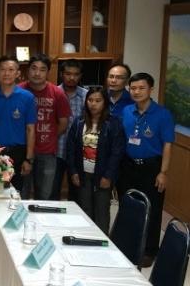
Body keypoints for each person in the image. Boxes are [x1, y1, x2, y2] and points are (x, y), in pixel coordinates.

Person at [119, 73, 175, 267]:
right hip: (128, 165)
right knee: (128, 205)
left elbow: (168, 144)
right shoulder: (126, 111)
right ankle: (128, 245)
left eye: (141, 88)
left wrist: (163, 172)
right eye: (133, 88)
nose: (136, 92)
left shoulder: (163, 114)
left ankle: (150, 250)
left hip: (152, 167)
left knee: (152, 208)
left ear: (151, 89)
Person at [66, 86, 125, 234]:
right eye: (90, 100)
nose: (93, 104)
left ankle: (103, 242)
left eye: (98, 100)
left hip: (103, 174)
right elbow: (71, 149)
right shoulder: (79, 122)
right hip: (83, 173)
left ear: (105, 102)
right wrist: (73, 172)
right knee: (85, 208)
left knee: (102, 210)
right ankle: (86, 237)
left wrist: (108, 176)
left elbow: (117, 153)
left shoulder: (113, 123)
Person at [19, 53, 71, 199]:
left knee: (44, 196)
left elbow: (63, 123)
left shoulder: (57, 93)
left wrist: (48, 137)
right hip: (22, 150)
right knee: (20, 194)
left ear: (48, 72)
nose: (37, 73)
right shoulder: (19, 91)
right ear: (27, 70)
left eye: (42, 69)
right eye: (34, 68)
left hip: (47, 152)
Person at [0, 56, 36, 198]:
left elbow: (30, 129)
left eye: (11, 70)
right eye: (3, 69)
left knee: (15, 193)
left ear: (18, 73)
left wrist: (28, 159)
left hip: (18, 153)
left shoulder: (27, 97)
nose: (6, 73)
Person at [53, 59, 87, 200]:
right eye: (68, 74)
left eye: (76, 74)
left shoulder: (87, 96)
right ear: (62, 74)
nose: (72, 78)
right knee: (52, 190)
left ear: (80, 76)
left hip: (79, 152)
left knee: (77, 193)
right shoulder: (53, 93)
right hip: (56, 149)